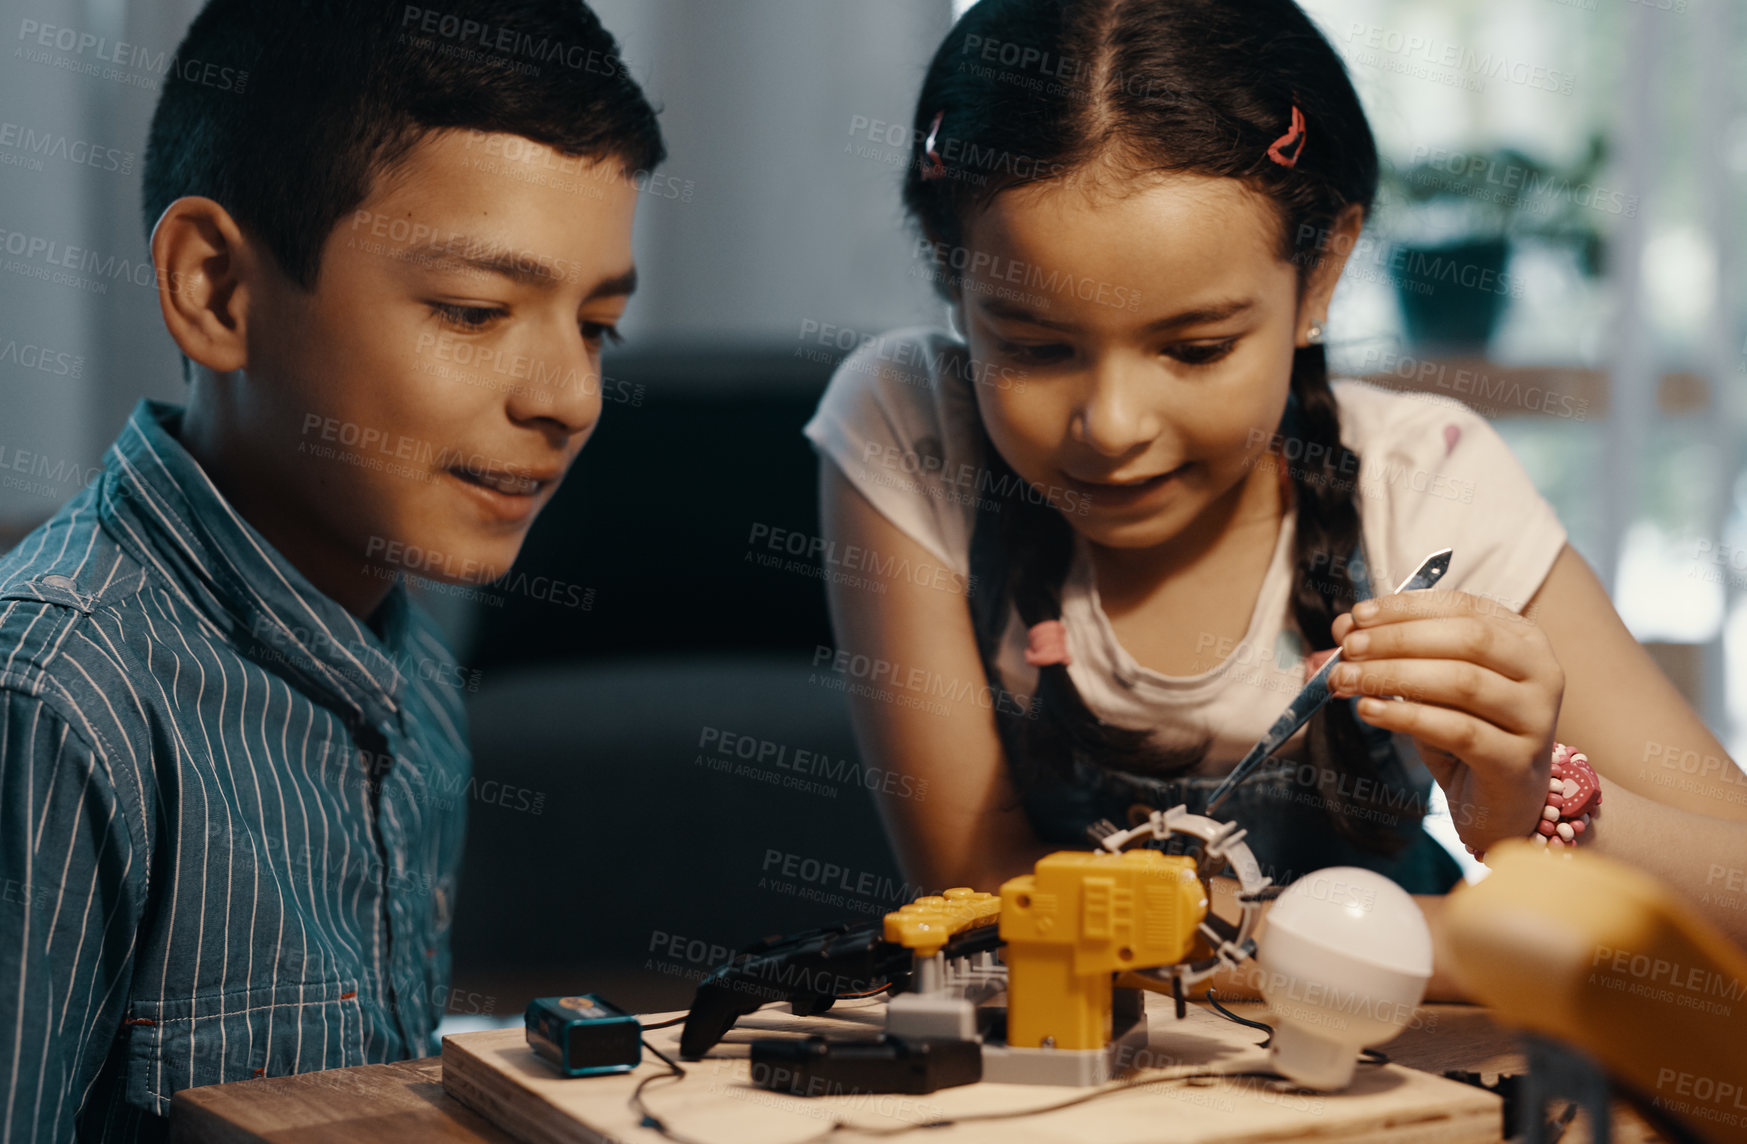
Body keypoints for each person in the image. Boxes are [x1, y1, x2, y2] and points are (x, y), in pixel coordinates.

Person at [803, 0, 1747, 1000]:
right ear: (953, 277)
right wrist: (1461, 941)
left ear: (1323, 271)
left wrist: (1543, 808)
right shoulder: (907, 422)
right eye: (1035, 349)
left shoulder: (1422, 479)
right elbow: (976, 893)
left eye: (1195, 348)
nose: (1113, 423)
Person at [0, 1, 661, 1137]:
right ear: (216, 289)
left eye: (596, 325)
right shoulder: (58, 702)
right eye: (474, 310)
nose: (568, 396)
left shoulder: (410, 667)